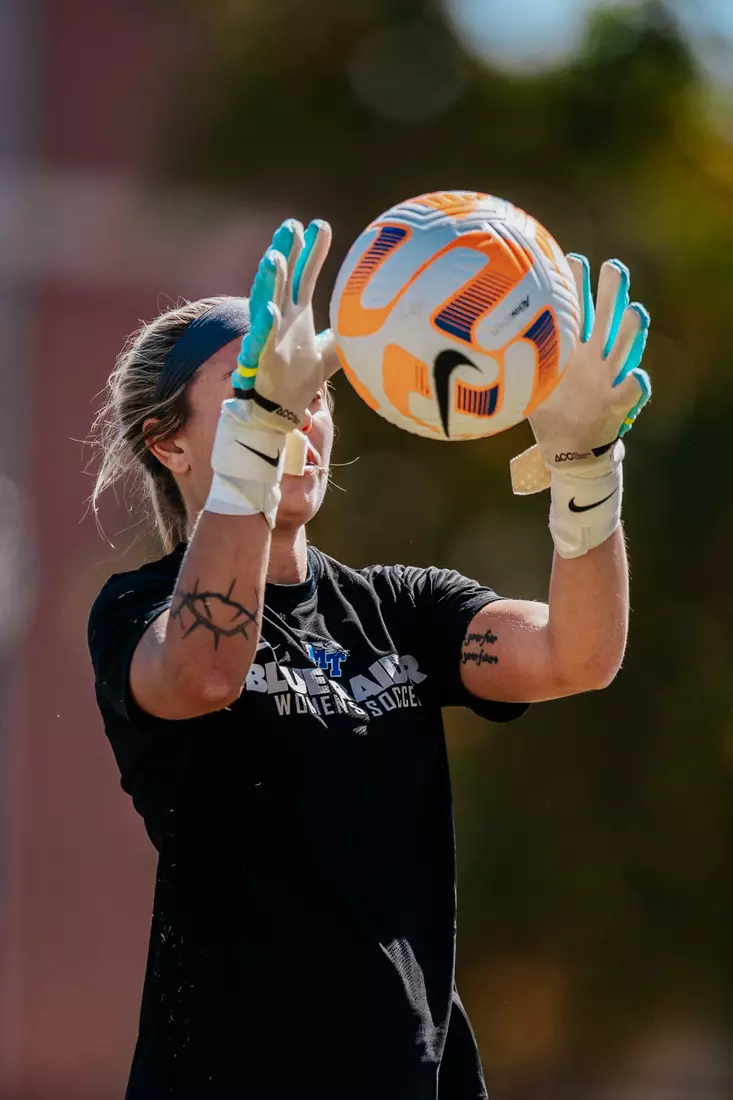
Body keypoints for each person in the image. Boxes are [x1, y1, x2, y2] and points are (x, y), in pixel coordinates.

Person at [88, 216, 651, 1100]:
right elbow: (204, 671)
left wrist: (585, 465)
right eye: (258, 392)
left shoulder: (401, 607)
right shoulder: (135, 609)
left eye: (313, 398)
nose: (303, 421)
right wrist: (255, 436)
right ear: (170, 442)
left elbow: (578, 655)